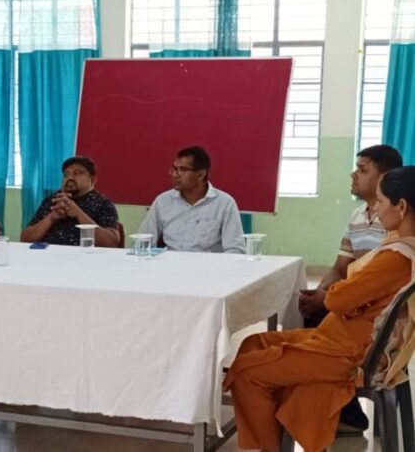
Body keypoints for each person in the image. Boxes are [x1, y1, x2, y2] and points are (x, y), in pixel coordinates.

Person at [224, 166, 415, 452]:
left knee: (245, 373)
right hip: (338, 338)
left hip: (348, 352)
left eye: (380, 201)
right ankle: (274, 432)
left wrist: (343, 294)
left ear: (401, 207)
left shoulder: (397, 258)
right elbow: (350, 292)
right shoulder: (398, 244)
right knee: (253, 343)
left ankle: (269, 447)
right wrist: (348, 295)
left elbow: (337, 300)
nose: (375, 209)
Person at [299, 144, 402, 432]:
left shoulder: (397, 220)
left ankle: (339, 411)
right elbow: (340, 268)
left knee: (285, 352)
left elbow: (380, 283)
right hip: (354, 299)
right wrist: (319, 292)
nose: (353, 175)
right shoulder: (357, 216)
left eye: (362, 170)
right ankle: (342, 410)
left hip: (374, 311)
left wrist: (329, 299)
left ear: (385, 177)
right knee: (309, 313)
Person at [137, 146, 244, 253]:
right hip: (171, 261)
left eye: (182, 170)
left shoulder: (224, 204)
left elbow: (235, 250)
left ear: (201, 175)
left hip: (207, 263)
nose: (175, 175)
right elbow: (142, 241)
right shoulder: (163, 201)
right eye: (174, 169)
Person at [21, 156, 119, 247]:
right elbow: (25, 239)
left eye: (77, 173)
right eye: (66, 174)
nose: (70, 178)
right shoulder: (52, 200)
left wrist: (78, 214)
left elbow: (112, 243)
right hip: (47, 255)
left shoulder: (102, 204)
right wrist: (51, 217)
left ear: (92, 180)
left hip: (84, 257)